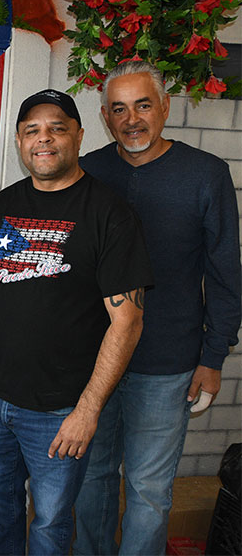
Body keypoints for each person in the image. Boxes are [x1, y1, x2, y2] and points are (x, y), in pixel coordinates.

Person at [0, 89, 153, 555]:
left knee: (49, 522)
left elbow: (127, 322)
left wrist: (87, 410)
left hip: (59, 411)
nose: (43, 139)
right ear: (20, 142)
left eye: (56, 129)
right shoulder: (2, 206)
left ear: (79, 136)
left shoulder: (109, 213)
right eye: (32, 130)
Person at [74, 60, 241, 556]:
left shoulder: (206, 174)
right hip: (92, 361)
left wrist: (213, 357)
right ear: (104, 116)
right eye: (119, 109)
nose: (132, 120)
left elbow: (225, 275)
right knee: (92, 480)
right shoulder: (88, 173)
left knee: (148, 491)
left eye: (143, 105)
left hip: (168, 364)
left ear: (165, 107)